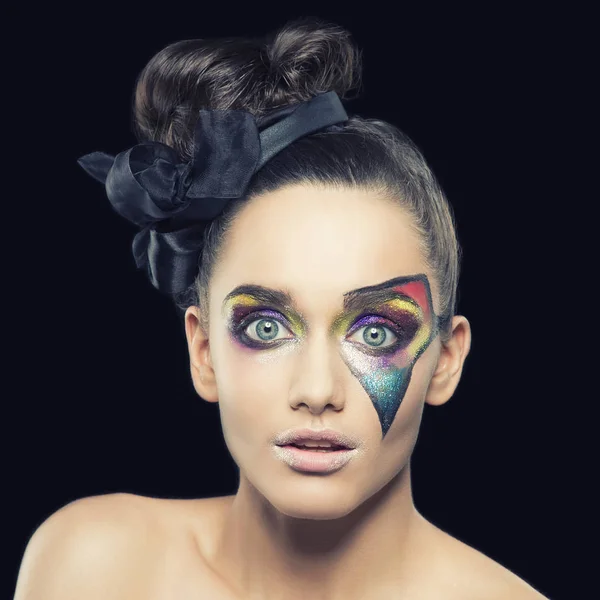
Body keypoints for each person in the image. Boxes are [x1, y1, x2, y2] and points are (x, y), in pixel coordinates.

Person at [14, 17, 549, 600]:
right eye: (266, 326)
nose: (317, 390)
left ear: (446, 359)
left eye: (375, 333)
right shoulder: (93, 567)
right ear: (203, 350)